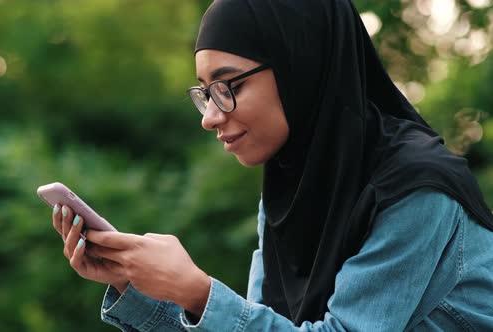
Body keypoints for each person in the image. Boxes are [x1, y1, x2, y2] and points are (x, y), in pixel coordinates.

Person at [51, 0, 493, 330]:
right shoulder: (290, 187)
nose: (209, 116)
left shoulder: (415, 189)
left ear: (298, 65)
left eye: (227, 87)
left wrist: (196, 291)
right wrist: (138, 287)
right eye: (204, 93)